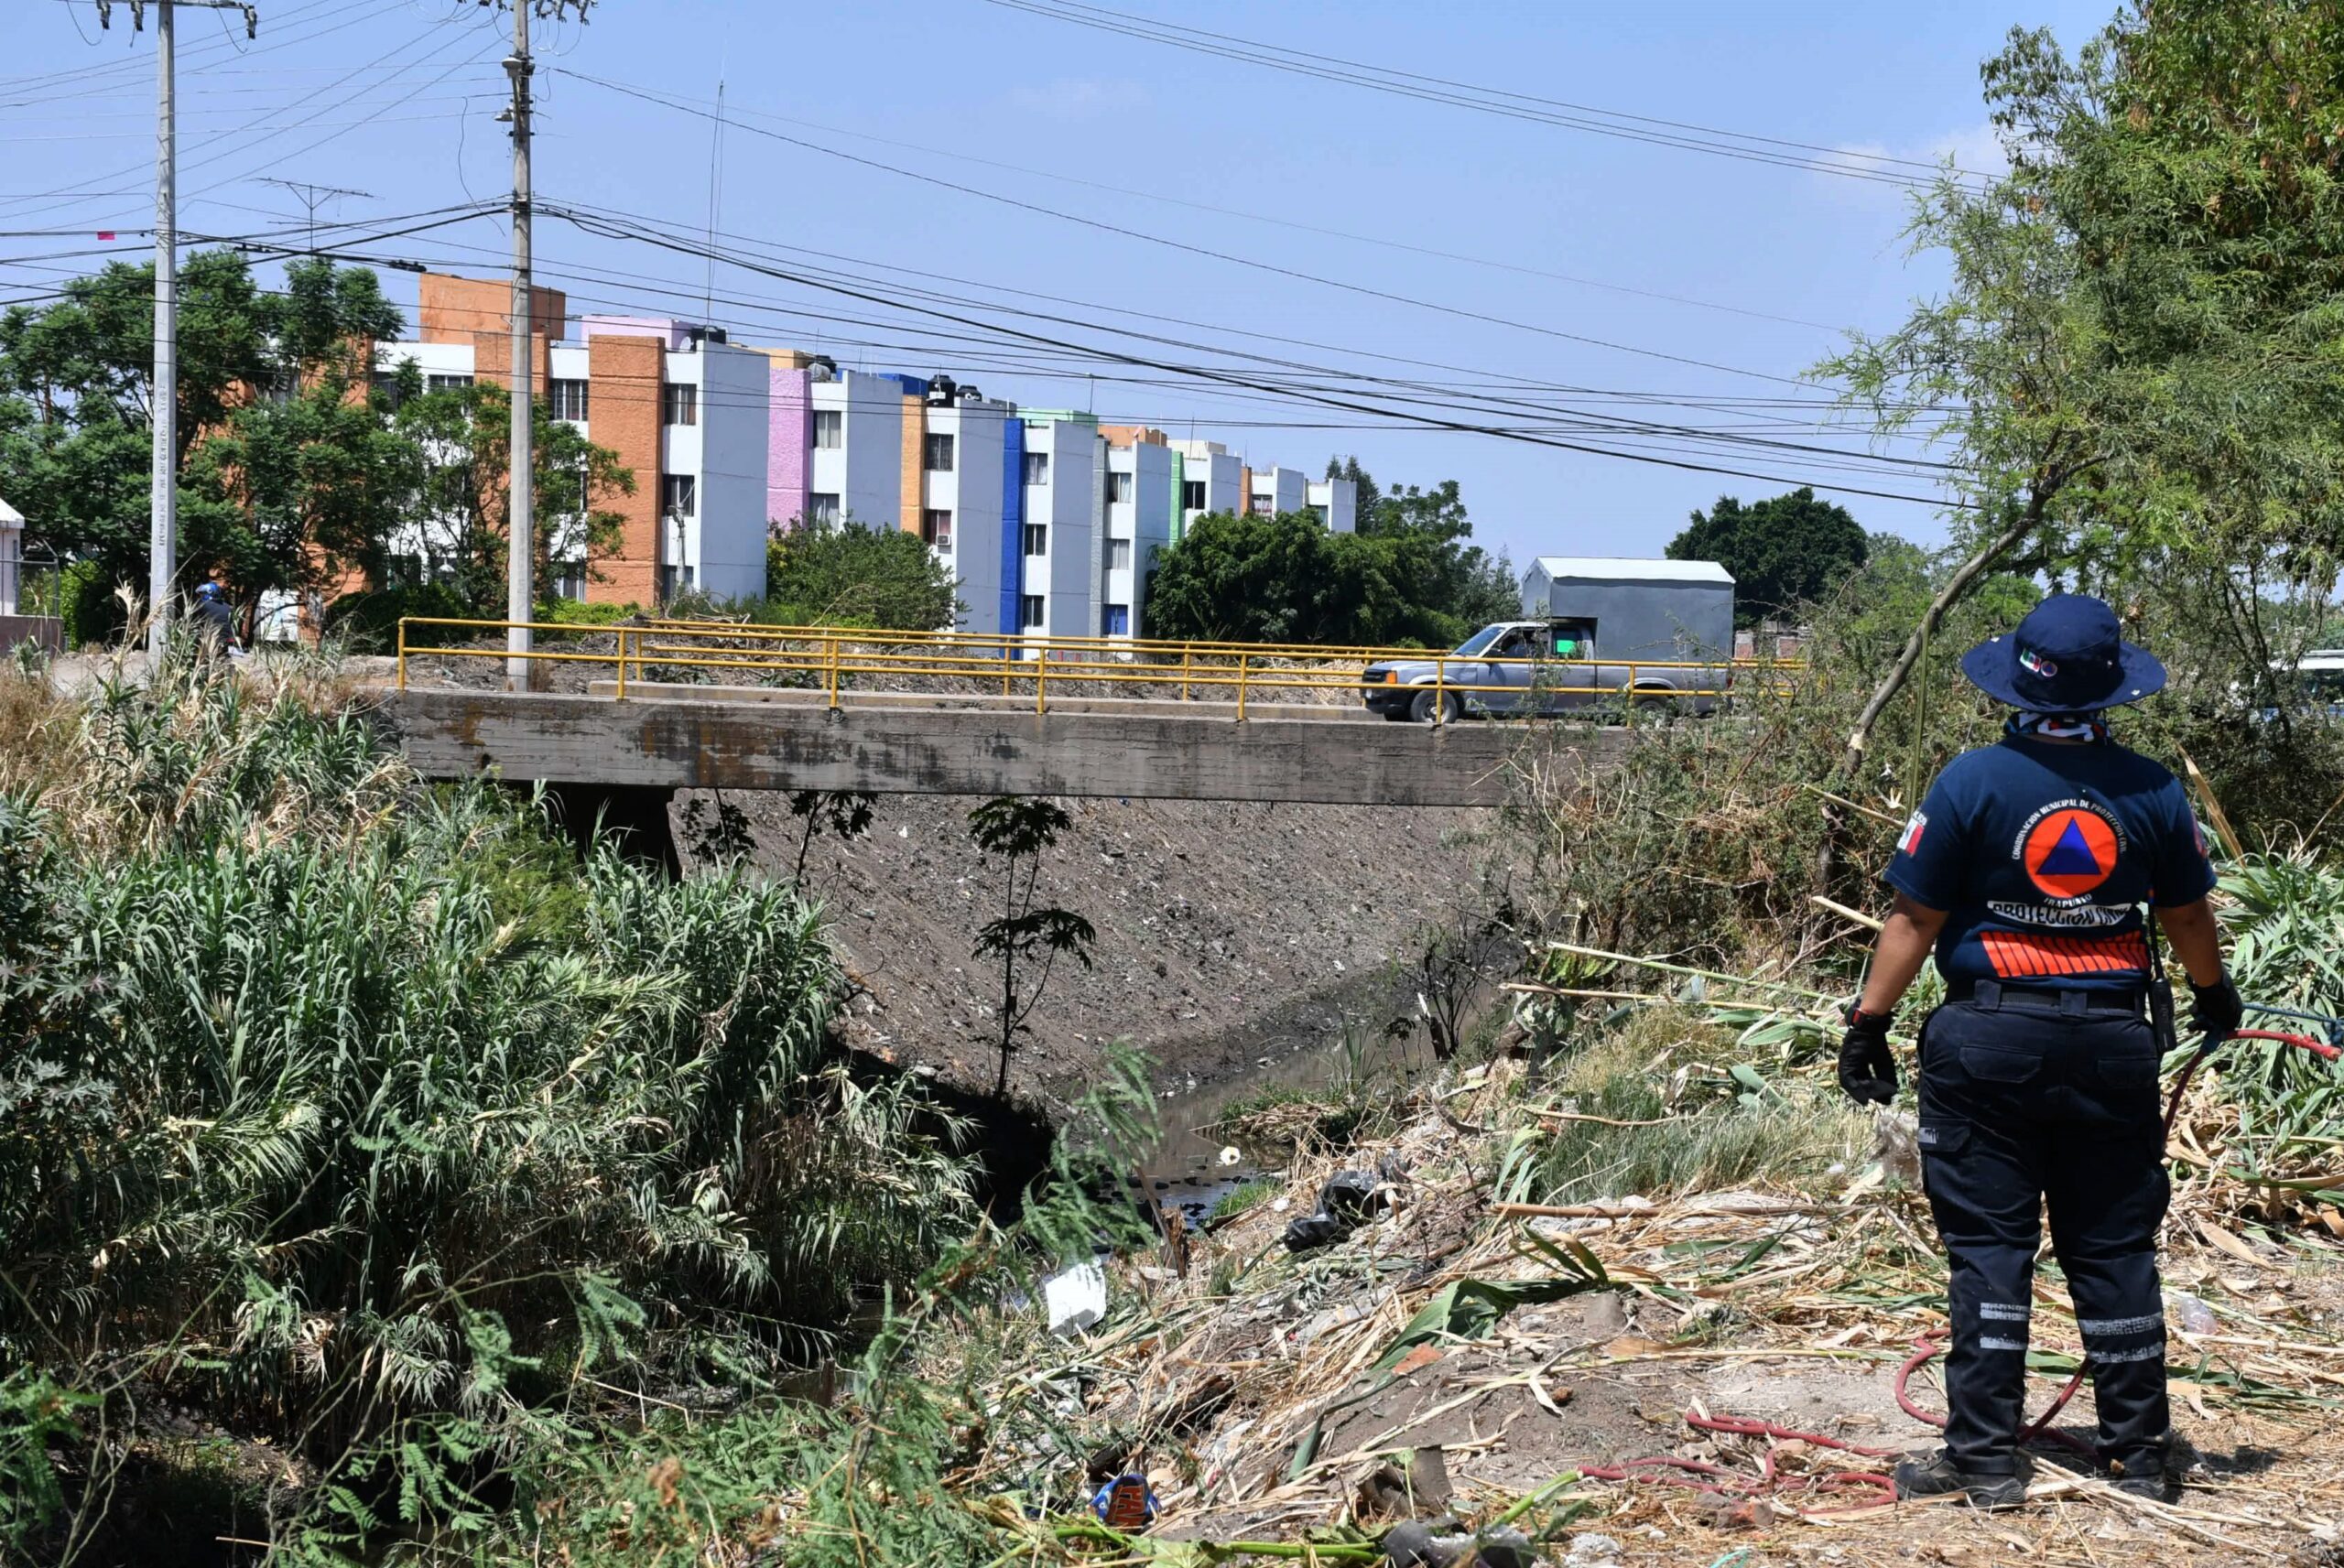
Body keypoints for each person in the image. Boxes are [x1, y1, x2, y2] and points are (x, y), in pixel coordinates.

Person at [1838, 593, 2241, 1508]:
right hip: (2109, 1044)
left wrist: (1866, 1023)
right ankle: (2139, 1454)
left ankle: (1983, 1460)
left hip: (1986, 1041)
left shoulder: (1971, 782)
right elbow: (2184, 913)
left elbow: (1913, 915)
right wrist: (2214, 994)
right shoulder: (2150, 789)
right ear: (2111, 689)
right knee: (2111, 1249)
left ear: (2016, 681)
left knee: (1989, 1249)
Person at [189, 581, 238, 662]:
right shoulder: (227, 607)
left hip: (209, 639)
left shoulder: (202, 605)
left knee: (197, 658)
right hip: (227, 639)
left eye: (202, 594)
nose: (200, 596)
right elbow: (231, 623)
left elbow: (193, 621)